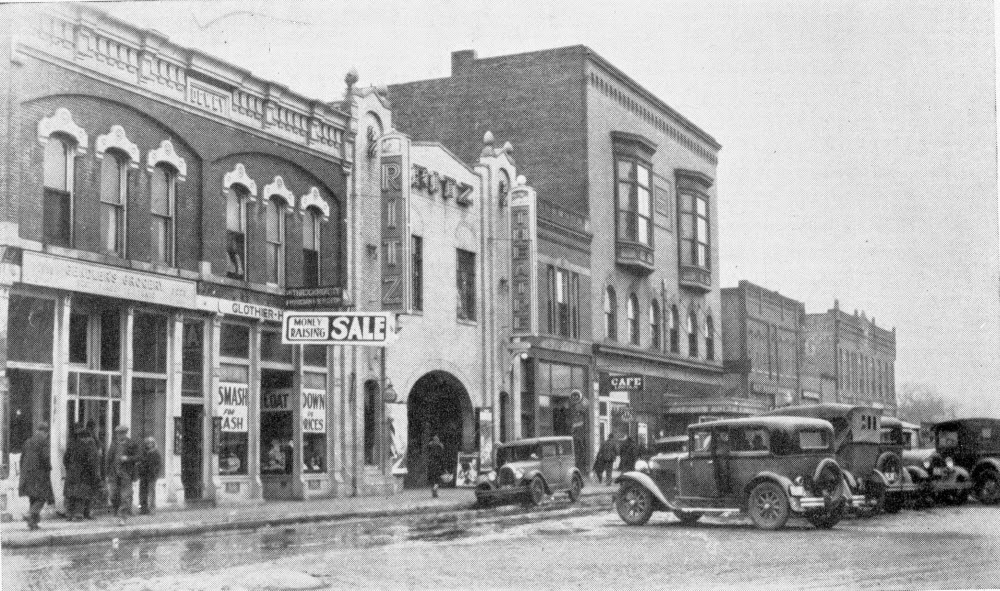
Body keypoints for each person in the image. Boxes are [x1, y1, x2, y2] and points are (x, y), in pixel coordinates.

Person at [18, 422, 54, 531]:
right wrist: (49, 468)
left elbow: (22, 459)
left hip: (27, 474)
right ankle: (30, 514)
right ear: (45, 432)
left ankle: (32, 523)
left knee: (33, 498)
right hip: (38, 475)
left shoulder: (27, 442)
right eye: (46, 433)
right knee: (42, 497)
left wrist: (23, 472)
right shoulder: (43, 442)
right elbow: (45, 458)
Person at [63, 423, 101, 521]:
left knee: (71, 494)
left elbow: (65, 459)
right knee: (82, 494)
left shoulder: (71, 444)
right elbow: (92, 461)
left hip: (71, 473)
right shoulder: (89, 445)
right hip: (84, 473)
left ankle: (69, 514)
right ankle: (79, 514)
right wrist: (94, 474)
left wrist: (69, 468)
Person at [106, 424, 140, 525]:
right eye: (118, 434)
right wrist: (107, 473)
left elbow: (138, 456)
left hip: (126, 473)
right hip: (114, 474)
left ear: (125, 434)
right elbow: (109, 458)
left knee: (125, 495)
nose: (119, 436)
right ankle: (117, 510)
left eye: (122, 434)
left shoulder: (132, 444)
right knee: (113, 495)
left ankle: (122, 517)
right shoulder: (114, 444)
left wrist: (128, 458)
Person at [137, 437, 162, 515]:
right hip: (144, 475)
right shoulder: (143, 452)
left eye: (151, 443)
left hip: (152, 475)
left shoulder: (156, 452)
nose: (149, 445)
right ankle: (143, 509)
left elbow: (159, 465)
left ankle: (152, 509)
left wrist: (155, 473)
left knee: (151, 492)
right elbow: (140, 462)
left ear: (153, 444)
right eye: (147, 443)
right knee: (143, 492)